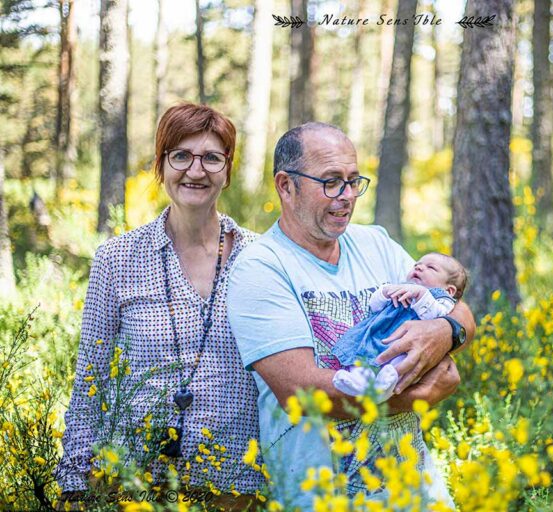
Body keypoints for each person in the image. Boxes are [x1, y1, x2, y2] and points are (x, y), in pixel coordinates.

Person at [227, 122, 475, 508]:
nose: (346, 197)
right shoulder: (261, 267)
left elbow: (456, 307)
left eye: (353, 181)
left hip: (415, 489)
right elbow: (301, 393)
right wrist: (415, 395)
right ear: (286, 186)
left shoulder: (374, 242)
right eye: (331, 182)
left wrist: (443, 332)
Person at [56, 104, 265, 510]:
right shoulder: (117, 258)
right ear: (161, 164)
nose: (196, 171)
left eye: (211, 158)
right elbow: (90, 380)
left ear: (227, 170)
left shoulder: (261, 258)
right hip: (135, 481)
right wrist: (75, 484)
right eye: (181, 156)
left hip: (237, 483)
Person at [332, 253, 468, 403]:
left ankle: (386, 386)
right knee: (364, 352)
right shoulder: (402, 285)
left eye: (431, 267)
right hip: (381, 335)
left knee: (405, 361)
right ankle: (358, 381)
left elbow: (435, 319)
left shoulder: (442, 300)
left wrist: (421, 294)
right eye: (417, 265)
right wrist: (385, 292)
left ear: (449, 290)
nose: (419, 267)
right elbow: (374, 306)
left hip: (406, 343)